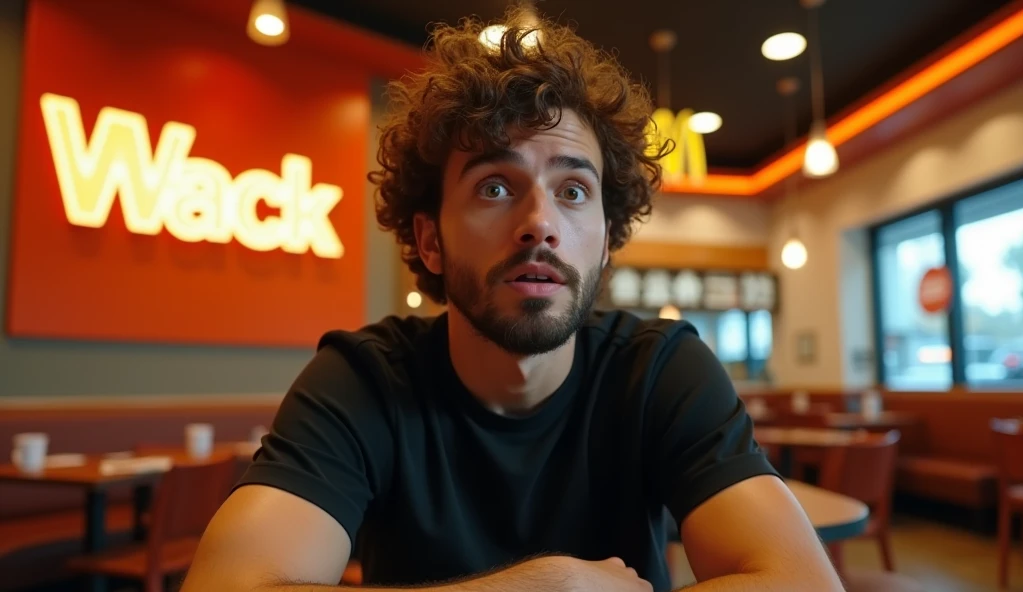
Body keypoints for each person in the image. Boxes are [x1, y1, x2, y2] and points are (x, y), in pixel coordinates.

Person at [182, 8, 843, 592]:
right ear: (430, 240)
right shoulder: (364, 381)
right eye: (495, 186)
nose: (540, 221)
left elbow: (805, 583)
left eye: (574, 191)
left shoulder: (660, 370)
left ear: (606, 242)